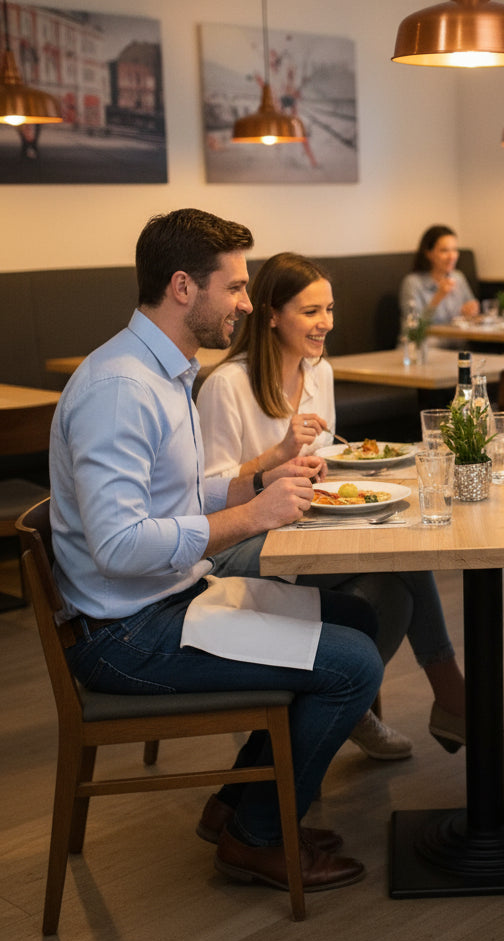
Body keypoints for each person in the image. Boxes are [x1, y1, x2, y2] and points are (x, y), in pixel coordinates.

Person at [49, 208, 383, 893]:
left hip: (164, 600)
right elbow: (118, 545)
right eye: (234, 287)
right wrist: (250, 516)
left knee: (359, 623)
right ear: (182, 287)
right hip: (124, 633)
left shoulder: (161, 371)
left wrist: (259, 479)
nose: (245, 303)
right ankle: (255, 839)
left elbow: (175, 497)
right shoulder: (122, 389)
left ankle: (240, 804)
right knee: (353, 664)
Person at [197, 252, 504, 763]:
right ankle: (448, 700)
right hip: (239, 547)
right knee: (406, 552)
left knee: (392, 591)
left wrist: (330, 468)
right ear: (270, 314)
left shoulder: (320, 373)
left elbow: (323, 461)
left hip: (304, 525)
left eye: (329, 309)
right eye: (311, 312)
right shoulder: (228, 385)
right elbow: (207, 493)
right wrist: (277, 457)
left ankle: (348, 706)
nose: (326, 323)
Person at [399, 224, 479, 327]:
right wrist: (438, 297)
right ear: (429, 253)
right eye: (444, 250)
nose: (452, 256)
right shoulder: (413, 283)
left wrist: (471, 311)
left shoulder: (458, 277)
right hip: (427, 342)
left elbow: (471, 311)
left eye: (454, 250)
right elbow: (414, 328)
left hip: (457, 340)